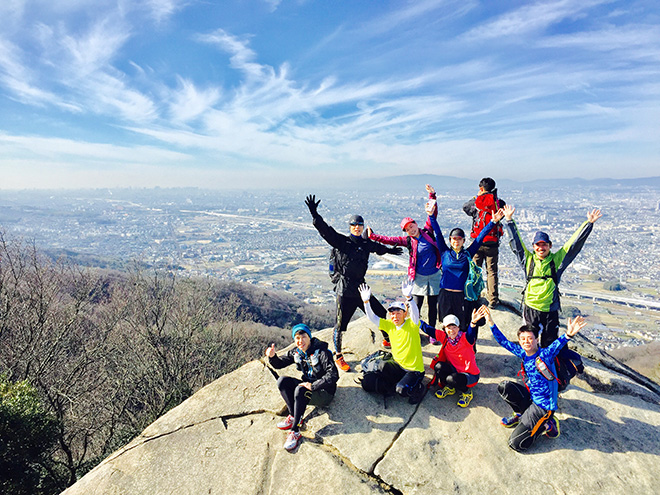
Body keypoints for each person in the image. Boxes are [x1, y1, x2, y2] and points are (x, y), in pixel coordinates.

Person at [305, 195, 403, 372]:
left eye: (359, 225)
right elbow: (326, 231)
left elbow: (376, 248)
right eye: (354, 225)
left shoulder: (365, 244)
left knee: (380, 312)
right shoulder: (342, 242)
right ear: (350, 227)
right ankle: (338, 355)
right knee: (340, 324)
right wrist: (315, 215)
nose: (357, 228)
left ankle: (387, 339)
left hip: (361, 287)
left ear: (363, 227)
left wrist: (390, 250)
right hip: (345, 289)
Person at [485, 305, 588, 452]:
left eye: (530, 338)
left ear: (536, 339)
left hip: (543, 406)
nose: (526, 341)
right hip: (532, 398)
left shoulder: (545, 355)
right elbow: (503, 342)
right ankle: (520, 414)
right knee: (504, 387)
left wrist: (568, 335)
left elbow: (557, 345)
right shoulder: (523, 353)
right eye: (523, 339)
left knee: (516, 444)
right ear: (519, 341)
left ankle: (548, 425)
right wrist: (490, 321)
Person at [503, 204, 602, 347]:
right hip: (531, 306)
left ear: (550, 246)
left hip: (550, 308)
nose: (541, 248)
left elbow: (573, 245)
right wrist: (509, 220)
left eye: (544, 245)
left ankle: (548, 367)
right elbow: (516, 243)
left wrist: (588, 224)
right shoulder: (528, 260)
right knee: (530, 341)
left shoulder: (556, 260)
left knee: (549, 342)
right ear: (533, 246)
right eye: (538, 245)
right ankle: (531, 367)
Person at [367, 184, 442, 330]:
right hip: (419, 276)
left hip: (434, 274)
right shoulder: (408, 240)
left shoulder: (427, 231)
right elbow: (390, 240)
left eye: (411, 226)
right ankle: (415, 331)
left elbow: (432, 213)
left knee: (433, 305)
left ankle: (432, 332)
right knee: (416, 306)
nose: (410, 230)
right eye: (407, 229)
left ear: (415, 223)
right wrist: (373, 236)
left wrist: (432, 196)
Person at [428, 202, 504, 333]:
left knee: (462, 325)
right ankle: (449, 351)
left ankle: (465, 350)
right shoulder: (445, 253)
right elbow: (438, 233)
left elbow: (480, 238)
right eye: (453, 238)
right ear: (450, 240)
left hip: (461, 296)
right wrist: (431, 216)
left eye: (459, 239)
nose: (456, 241)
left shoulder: (468, 254)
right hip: (445, 295)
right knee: (447, 326)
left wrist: (493, 222)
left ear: (463, 241)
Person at [265, 323, 339, 452]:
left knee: (300, 389)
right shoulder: (297, 352)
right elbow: (280, 364)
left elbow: (333, 375)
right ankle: (294, 415)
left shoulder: (322, 352)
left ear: (309, 336)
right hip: (308, 388)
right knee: (282, 381)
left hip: (324, 392)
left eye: (303, 337)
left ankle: (295, 431)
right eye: (297, 338)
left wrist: (314, 385)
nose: (301, 341)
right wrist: (272, 357)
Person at [358, 281, 426, 404]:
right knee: (380, 367)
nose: (395, 316)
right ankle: (399, 382)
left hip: (414, 370)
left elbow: (415, 314)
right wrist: (366, 302)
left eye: (398, 313)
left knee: (401, 390)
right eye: (392, 314)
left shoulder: (412, 324)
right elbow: (372, 317)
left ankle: (418, 388)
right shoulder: (390, 325)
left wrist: (409, 298)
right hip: (398, 365)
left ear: (405, 313)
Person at [463, 177, 506, 308]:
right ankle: (493, 299)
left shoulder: (476, 203)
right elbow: (503, 214)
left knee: (475, 269)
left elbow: (465, 208)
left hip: (477, 242)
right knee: (492, 271)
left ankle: (474, 296)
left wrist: (477, 197)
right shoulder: (499, 203)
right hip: (492, 242)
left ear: (481, 188)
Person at [422, 312, 480, 408]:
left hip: (470, 375)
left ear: (458, 328)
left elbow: (471, 333)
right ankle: (450, 388)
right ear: (444, 329)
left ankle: (467, 392)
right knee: (439, 366)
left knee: (451, 379)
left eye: (454, 327)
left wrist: (473, 323)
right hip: (455, 370)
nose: (452, 330)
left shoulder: (466, 338)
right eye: (449, 327)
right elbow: (427, 329)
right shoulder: (444, 337)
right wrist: (413, 316)